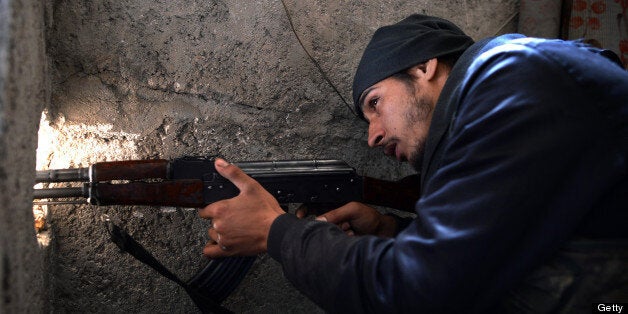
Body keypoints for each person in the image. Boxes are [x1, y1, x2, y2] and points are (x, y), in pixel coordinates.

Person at [199, 14, 628, 313]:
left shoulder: (507, 78)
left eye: (375, 103)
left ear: (424, 66)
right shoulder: (504, 87)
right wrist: (392, 231)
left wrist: (277, 233)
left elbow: (420, 295)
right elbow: (489, 255)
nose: (372, 136)